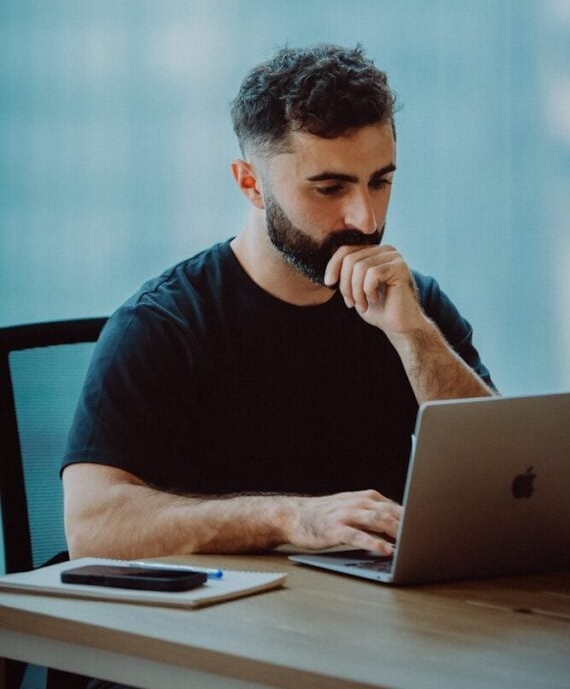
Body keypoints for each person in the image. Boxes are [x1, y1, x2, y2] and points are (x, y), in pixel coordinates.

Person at [62, 44, 496, 567]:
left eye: (380, 182)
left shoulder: (414, 308)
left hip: (374, 616)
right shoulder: (162, 324)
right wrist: (291, 518)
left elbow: (503, 483)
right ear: (251, 184)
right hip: (223, 624)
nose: (365, 217)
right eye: (329, 187)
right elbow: (94, 527)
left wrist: (414, 338)